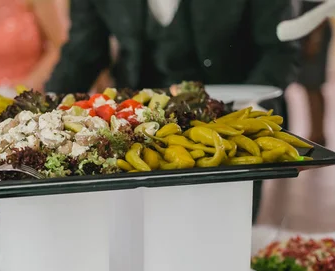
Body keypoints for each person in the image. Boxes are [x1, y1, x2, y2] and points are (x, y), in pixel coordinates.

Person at [45, 0, 300, 223]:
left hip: (228, 135)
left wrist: (247, 108)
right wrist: (45, 112)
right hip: (137, 137)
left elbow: (280, 51)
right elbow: (83, 51)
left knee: (222, 239)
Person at [297, 1, 333, 146]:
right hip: (310, 26)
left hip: (315, 28)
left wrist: (315, 38)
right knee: (310, 86)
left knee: (313, 84)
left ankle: (317, 133)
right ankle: (317, 131)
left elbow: (322, 7)